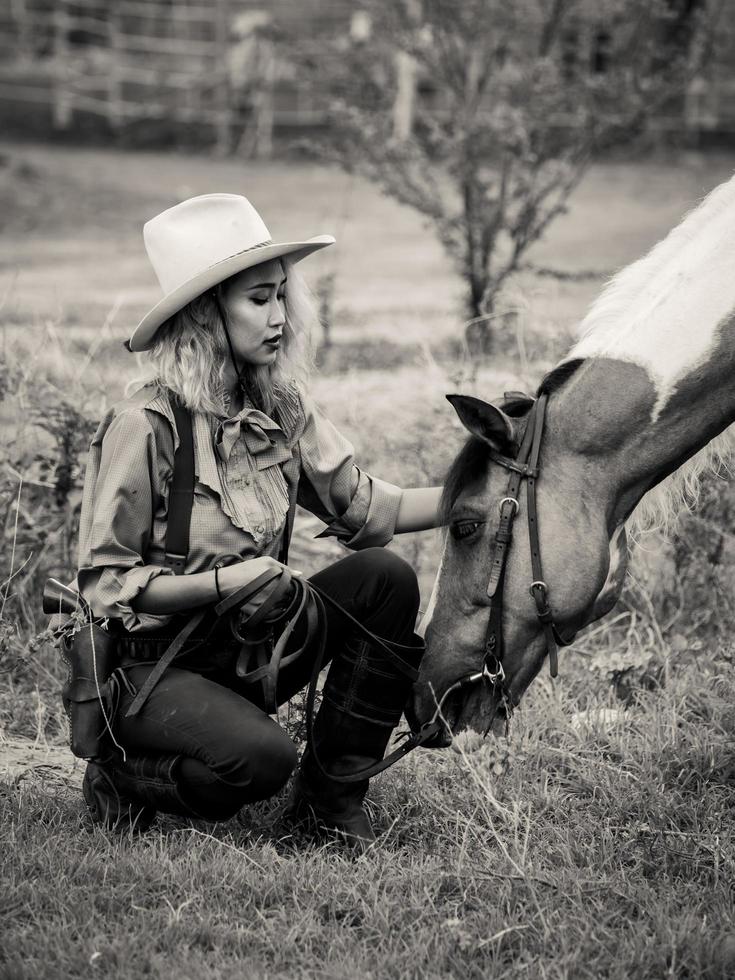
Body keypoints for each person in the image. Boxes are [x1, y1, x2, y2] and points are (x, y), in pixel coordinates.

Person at [76, 193, 442, 851]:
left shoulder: (279, 408)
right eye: (257, 299)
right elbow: (107, 586)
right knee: (257, 762)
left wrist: (482, 488)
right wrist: (223, 584)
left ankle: (329, 804)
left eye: (281, 297)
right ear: (205, 314)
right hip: (154, 665)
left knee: (383, 579)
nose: (278, 317)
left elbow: (369, 508)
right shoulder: (146, 426)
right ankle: (121, 773)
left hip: (250, 647)